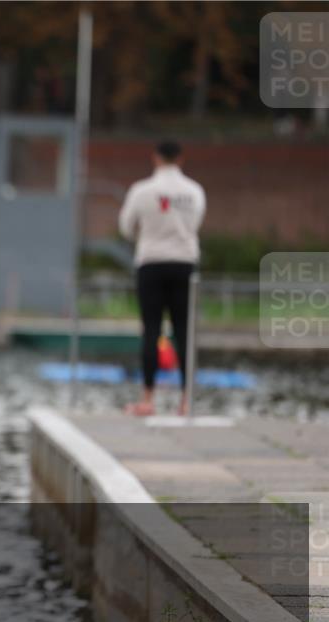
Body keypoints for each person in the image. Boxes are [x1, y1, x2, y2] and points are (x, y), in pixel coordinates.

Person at [119, 140, 206, 416]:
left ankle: (148, 399)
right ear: (181, 159)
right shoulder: (194, 192)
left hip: (151, 263)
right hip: (184, 264)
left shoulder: (141, 191)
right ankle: (185, 401)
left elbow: (125, 227)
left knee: (151, 331)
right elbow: (196, 223)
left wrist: (147, 236)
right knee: (184, 331)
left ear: (155, 158)